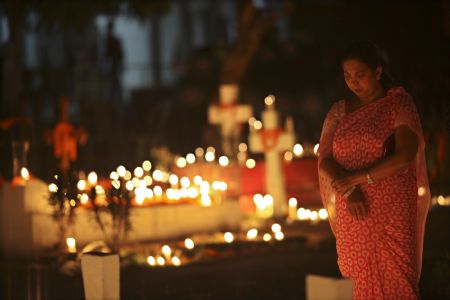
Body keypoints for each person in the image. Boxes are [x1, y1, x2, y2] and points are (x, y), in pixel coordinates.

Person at [318, 41, 430, 299]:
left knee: (397, 279)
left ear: (377, 72)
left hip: (392, 210)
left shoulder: (398, 105)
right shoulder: (339, 111)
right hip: (354, 210)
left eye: (360, 75)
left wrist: (356, 179)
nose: (353, 82)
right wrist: (349, 191)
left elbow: (405, 155)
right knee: (356, 280)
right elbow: (325, 159)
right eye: (347, 76)